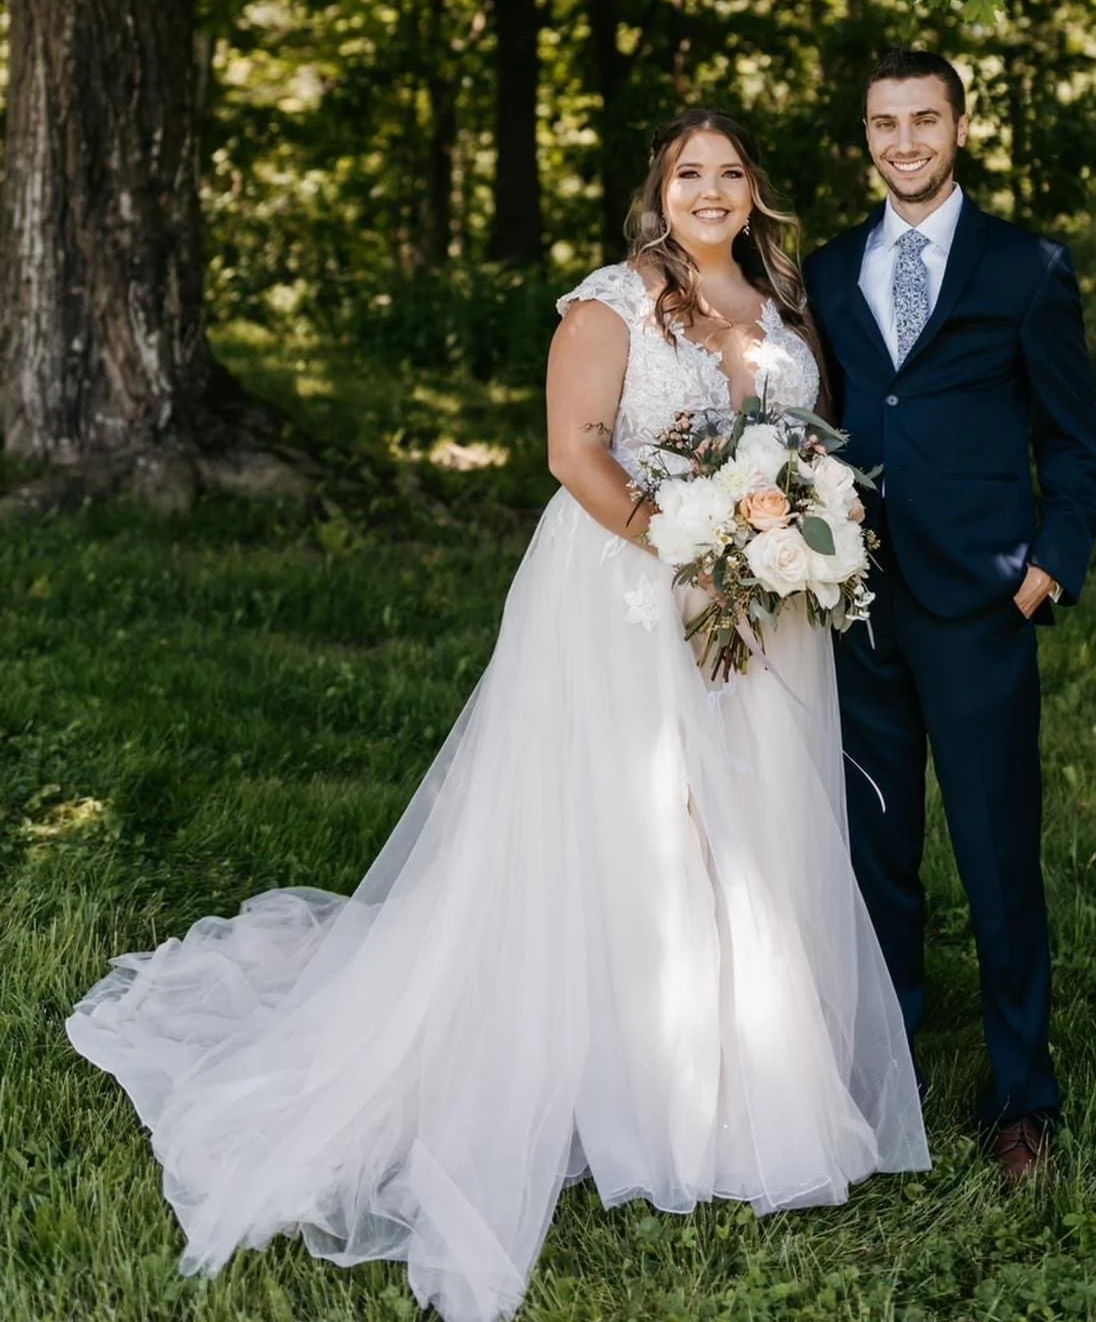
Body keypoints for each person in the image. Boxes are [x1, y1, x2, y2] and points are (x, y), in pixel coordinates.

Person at [67, 108, 927, 1322]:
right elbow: (575, 453)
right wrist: (690, 547)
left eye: (732, 173)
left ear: (755, 192)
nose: (713, 190)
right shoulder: (610, 303)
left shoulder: (779, 305)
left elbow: (784, 447)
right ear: (658, 190)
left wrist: (786, 529)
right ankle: (623, 1082)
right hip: (634, 593)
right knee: (636, 829)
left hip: (760, 600)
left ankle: (745, 1085)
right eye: (691, 173)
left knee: (754, 824)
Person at [804, 48, 1096, 1187]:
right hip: (853, 603)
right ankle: (882, 1074)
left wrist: (1048, 568)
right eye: (884, 123)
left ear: (961, 127)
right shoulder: (831, 270)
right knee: (873, 850)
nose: (903, 141)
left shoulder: (1025, 267)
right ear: (866, 137)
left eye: (923, 119)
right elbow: (824, 412)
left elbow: (1075, 444)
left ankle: (1022, 1091)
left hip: (981, 599)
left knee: (994, 853)